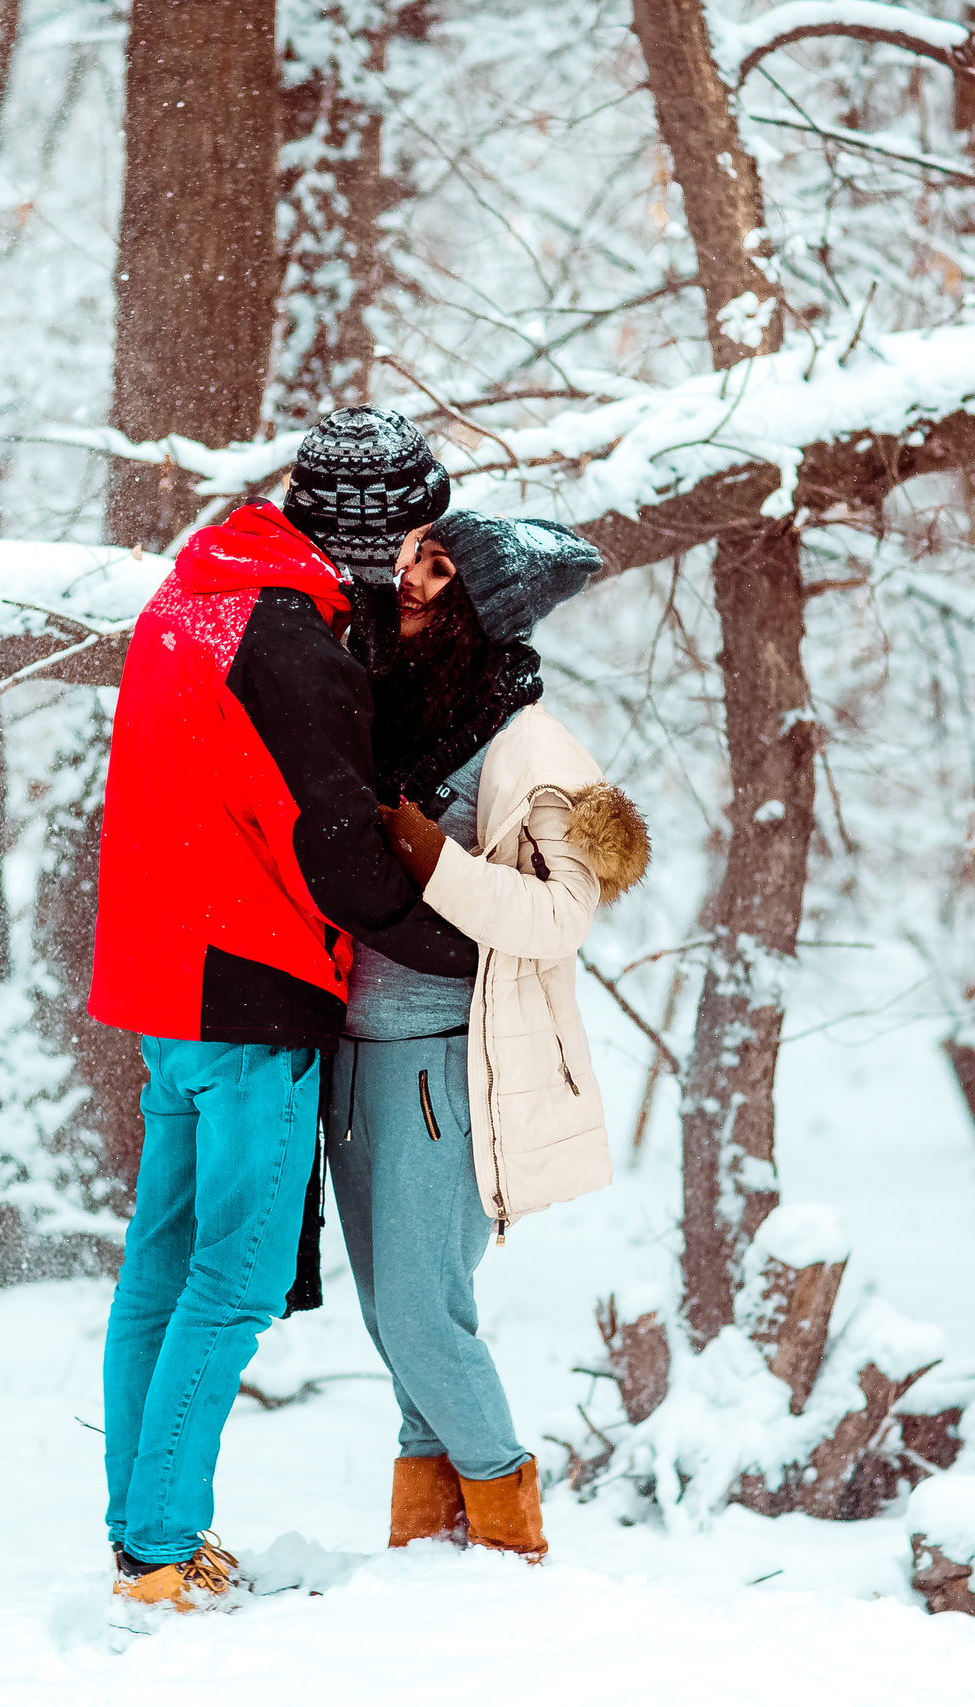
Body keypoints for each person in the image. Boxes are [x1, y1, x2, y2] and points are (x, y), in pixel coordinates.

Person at [87, 406, 475, 1611]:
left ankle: (140, 1535)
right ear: (367, 526)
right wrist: (467, 951)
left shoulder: (193, 596)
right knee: (237, 1281)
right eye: (415, 523)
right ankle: (159, 1556)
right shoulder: (294, 644)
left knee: (159, 1271)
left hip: (166, 990)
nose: (424, 546)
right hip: (247, 994)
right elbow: (342, 851)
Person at [330, 508, 650, 1563]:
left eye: (437, 567)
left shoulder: (529, 743)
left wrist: (433, 857)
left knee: (425, 1315)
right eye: (412, 557)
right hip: (354, 1058)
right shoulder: (391, 709)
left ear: (483, 608)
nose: (407, 578)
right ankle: (433, 1561)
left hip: (440, 1065)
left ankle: (513, 1541)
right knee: (388, 1320)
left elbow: (561, 919)